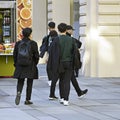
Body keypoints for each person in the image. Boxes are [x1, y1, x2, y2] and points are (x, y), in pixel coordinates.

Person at [13, 27, 39, 105]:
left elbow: (15, 55)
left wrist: (16, 63)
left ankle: (19, 92)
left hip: (20, 64)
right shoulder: (33, 43)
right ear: (30, 34)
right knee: (29, 82)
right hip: (30, 65)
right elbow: (36, 55)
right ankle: (27, 99)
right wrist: (35, 63)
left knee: (20, 81)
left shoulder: (18, 43)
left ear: (22, 34)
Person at [66, 25, 88, 97]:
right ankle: (60, 96)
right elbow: (78, 44)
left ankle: (79, 92)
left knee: (72, 78)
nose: (72, 31)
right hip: (67, 62)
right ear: (67, 30)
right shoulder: (69, 39)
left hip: (68, 62)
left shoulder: (70, 38)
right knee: (65, 80)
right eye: (71, 30)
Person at [39, 21, 57, 86]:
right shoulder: (54, 35)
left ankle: (51, 80)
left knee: (49, 68)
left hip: (51, 54)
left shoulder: (50, 36)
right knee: (52, 67)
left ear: (49, 27)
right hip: (54, 54)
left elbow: (47, 46)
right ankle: (52, 79)